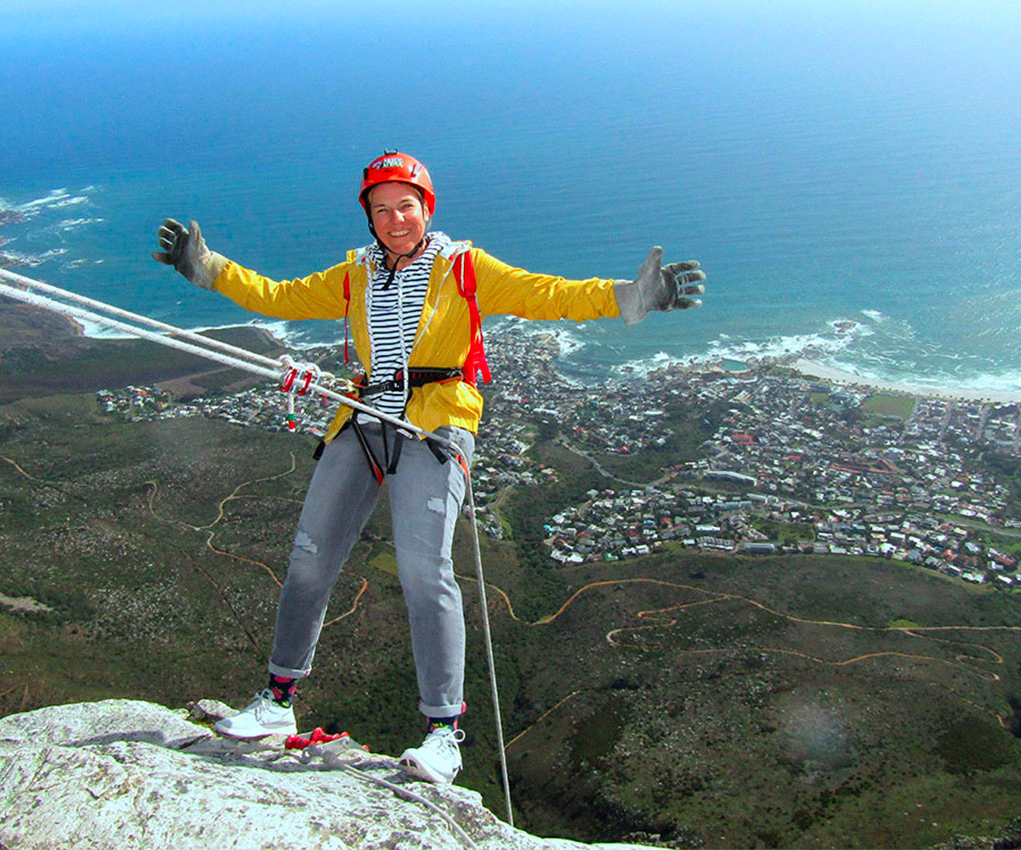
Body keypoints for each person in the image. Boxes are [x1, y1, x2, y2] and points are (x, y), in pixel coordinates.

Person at [153, 150, 704, 784]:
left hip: (436, 423)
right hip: (362, 417)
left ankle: (443, 733)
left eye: (405, 207)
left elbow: (546, 294)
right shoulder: (355, 274)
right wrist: (207, 267)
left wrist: (636, 297)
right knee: (310, 556)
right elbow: (279, 296)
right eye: (381, 209)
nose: (394, 220)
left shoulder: (464, 267)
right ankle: (277, 702)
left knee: (423, 570)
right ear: (369, 216)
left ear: (426, 210)